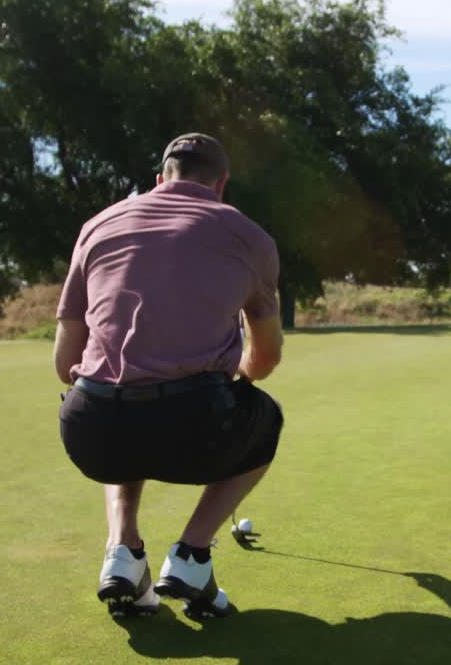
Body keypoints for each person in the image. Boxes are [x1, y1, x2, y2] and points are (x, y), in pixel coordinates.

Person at [54, 132, 285, 619]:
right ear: (221, 184)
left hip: (90, 429)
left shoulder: (96, 225)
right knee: (266, 420)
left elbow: (64, 363)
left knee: (124, 405)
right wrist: (232, 369)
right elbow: (263, 362)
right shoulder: (250, 236)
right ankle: (192, 554)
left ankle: (123, 554)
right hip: (196, 428)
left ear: (160, 179)